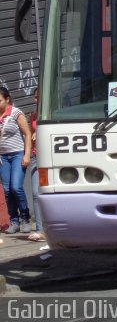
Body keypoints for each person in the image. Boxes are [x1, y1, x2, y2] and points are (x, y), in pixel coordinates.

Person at [0, 87, 32, 234]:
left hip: (17, 154)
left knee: (16, 187)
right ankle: (14, 221)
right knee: (7, 190)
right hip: (3, 158)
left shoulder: (16, 113)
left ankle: (25, 218)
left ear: (7, 100)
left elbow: (27, 133)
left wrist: (27, 155)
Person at [27, 88, 45, 242]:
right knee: (35, 192)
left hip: (47, 156)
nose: (36, 100)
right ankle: (40, 230)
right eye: (34, 97)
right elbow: (28, 134)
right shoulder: (32, 115)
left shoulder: (51, 112)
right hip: (35, 156)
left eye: (38, 97)